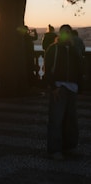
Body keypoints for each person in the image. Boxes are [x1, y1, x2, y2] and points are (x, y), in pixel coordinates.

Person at [44, 24, 83, 160]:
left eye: (68, 32)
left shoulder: (75, 51)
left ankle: (70, 147)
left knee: (71, 120)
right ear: (59, 35)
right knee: (56, 119)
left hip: (72, 88)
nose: (66, 35)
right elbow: (47, 70)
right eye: (63, 32)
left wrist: (79, 86)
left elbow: (79, 70)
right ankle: (55, 150)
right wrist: (53, 87)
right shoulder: (53, 49)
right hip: (59, 88)